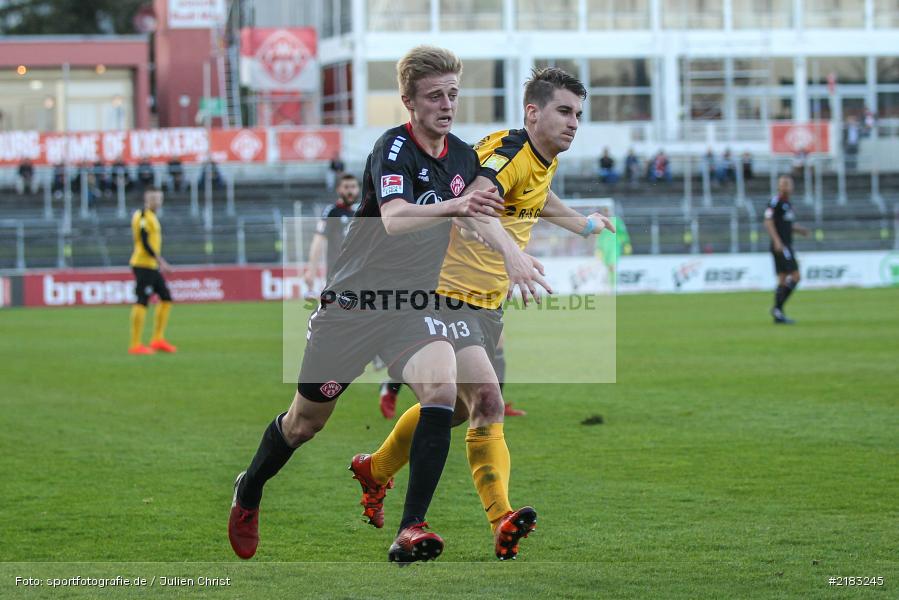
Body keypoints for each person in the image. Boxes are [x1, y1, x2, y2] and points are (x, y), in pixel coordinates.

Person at [227, 45, 535, 565]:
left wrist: (513, 256)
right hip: (353, 305)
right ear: (408, 101)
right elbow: (393, 218)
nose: (446, 104)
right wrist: (455, 205)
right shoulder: (392, 148)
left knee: (440, 391)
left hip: (412, 306)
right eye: (434, 96)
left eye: (452, 94)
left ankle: (411, 527)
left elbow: (482, 215)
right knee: (305, 423)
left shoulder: (462, 156)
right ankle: (249, 487)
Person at [350, 67, 614, 561]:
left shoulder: (539, 156)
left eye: (578, 114)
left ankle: (377, 468)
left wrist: (583, 225)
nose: (574, 123)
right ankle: (501, 519)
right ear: (532, 112)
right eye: (564, 111)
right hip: (447, 294)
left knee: (456, 408)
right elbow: (478, 195)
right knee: (485, 402)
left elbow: (536, 197)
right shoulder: (506, 153)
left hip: (484, 302)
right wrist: (512, 256)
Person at [128, 187, 176, 354]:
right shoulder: (142, 216)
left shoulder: (152, 217)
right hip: (143, 264)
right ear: (147, 200)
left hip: (151, 266)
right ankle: (135, 344)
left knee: (166, 298)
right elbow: (145, 242)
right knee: (142, 300)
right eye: (154, 199)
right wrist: (161, 261)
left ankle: (157, 339)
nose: (158, 202)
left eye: (160, 199)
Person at [303, 173, 360, 295]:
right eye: (346, 187)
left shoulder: (359, 213)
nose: (350, 191)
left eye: (353, 186)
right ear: (338, 189)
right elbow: (318, 241)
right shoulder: (332, 211)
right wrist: (311, 271)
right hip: (338, 276)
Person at [764, 175, 809, 324]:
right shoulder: (775, 202)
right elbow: (768, 222)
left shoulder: (788, 204)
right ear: (779, 186)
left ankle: (778, 313)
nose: (786, 186)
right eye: (783, 184)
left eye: (788, 184)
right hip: (782, 245)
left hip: (786, 244)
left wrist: (800, 230)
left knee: (783, 278)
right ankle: (777, 308)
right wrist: (777, 241)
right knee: (795, 276)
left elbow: (786, 225)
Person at [595, 206, 630, 288]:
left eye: (607, 211)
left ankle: (613, 287)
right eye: (604, 212)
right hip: (604, 248)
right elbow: (599, 236)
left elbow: (622, 232)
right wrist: (598, 248)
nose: (606, 213)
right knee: (608, 267)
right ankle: (610, 285)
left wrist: (626, 243)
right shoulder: (600, 223)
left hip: (614, 246)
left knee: (612, 265)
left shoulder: (616, 221)